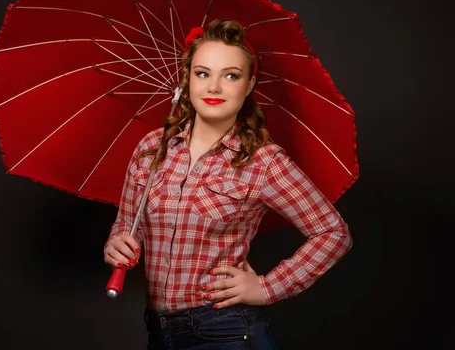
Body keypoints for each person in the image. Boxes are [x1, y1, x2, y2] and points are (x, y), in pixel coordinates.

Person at [103, 18, 352, 349]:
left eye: (230, 75)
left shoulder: (263, 161)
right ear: (187, 80)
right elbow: (127, 224)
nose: (213, 87)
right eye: (202, 73)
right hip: (159, 333)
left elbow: (333, 234)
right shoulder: (151, 148)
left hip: (225, 333)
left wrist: (268, 287)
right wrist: (116, 244)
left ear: (249, 85)